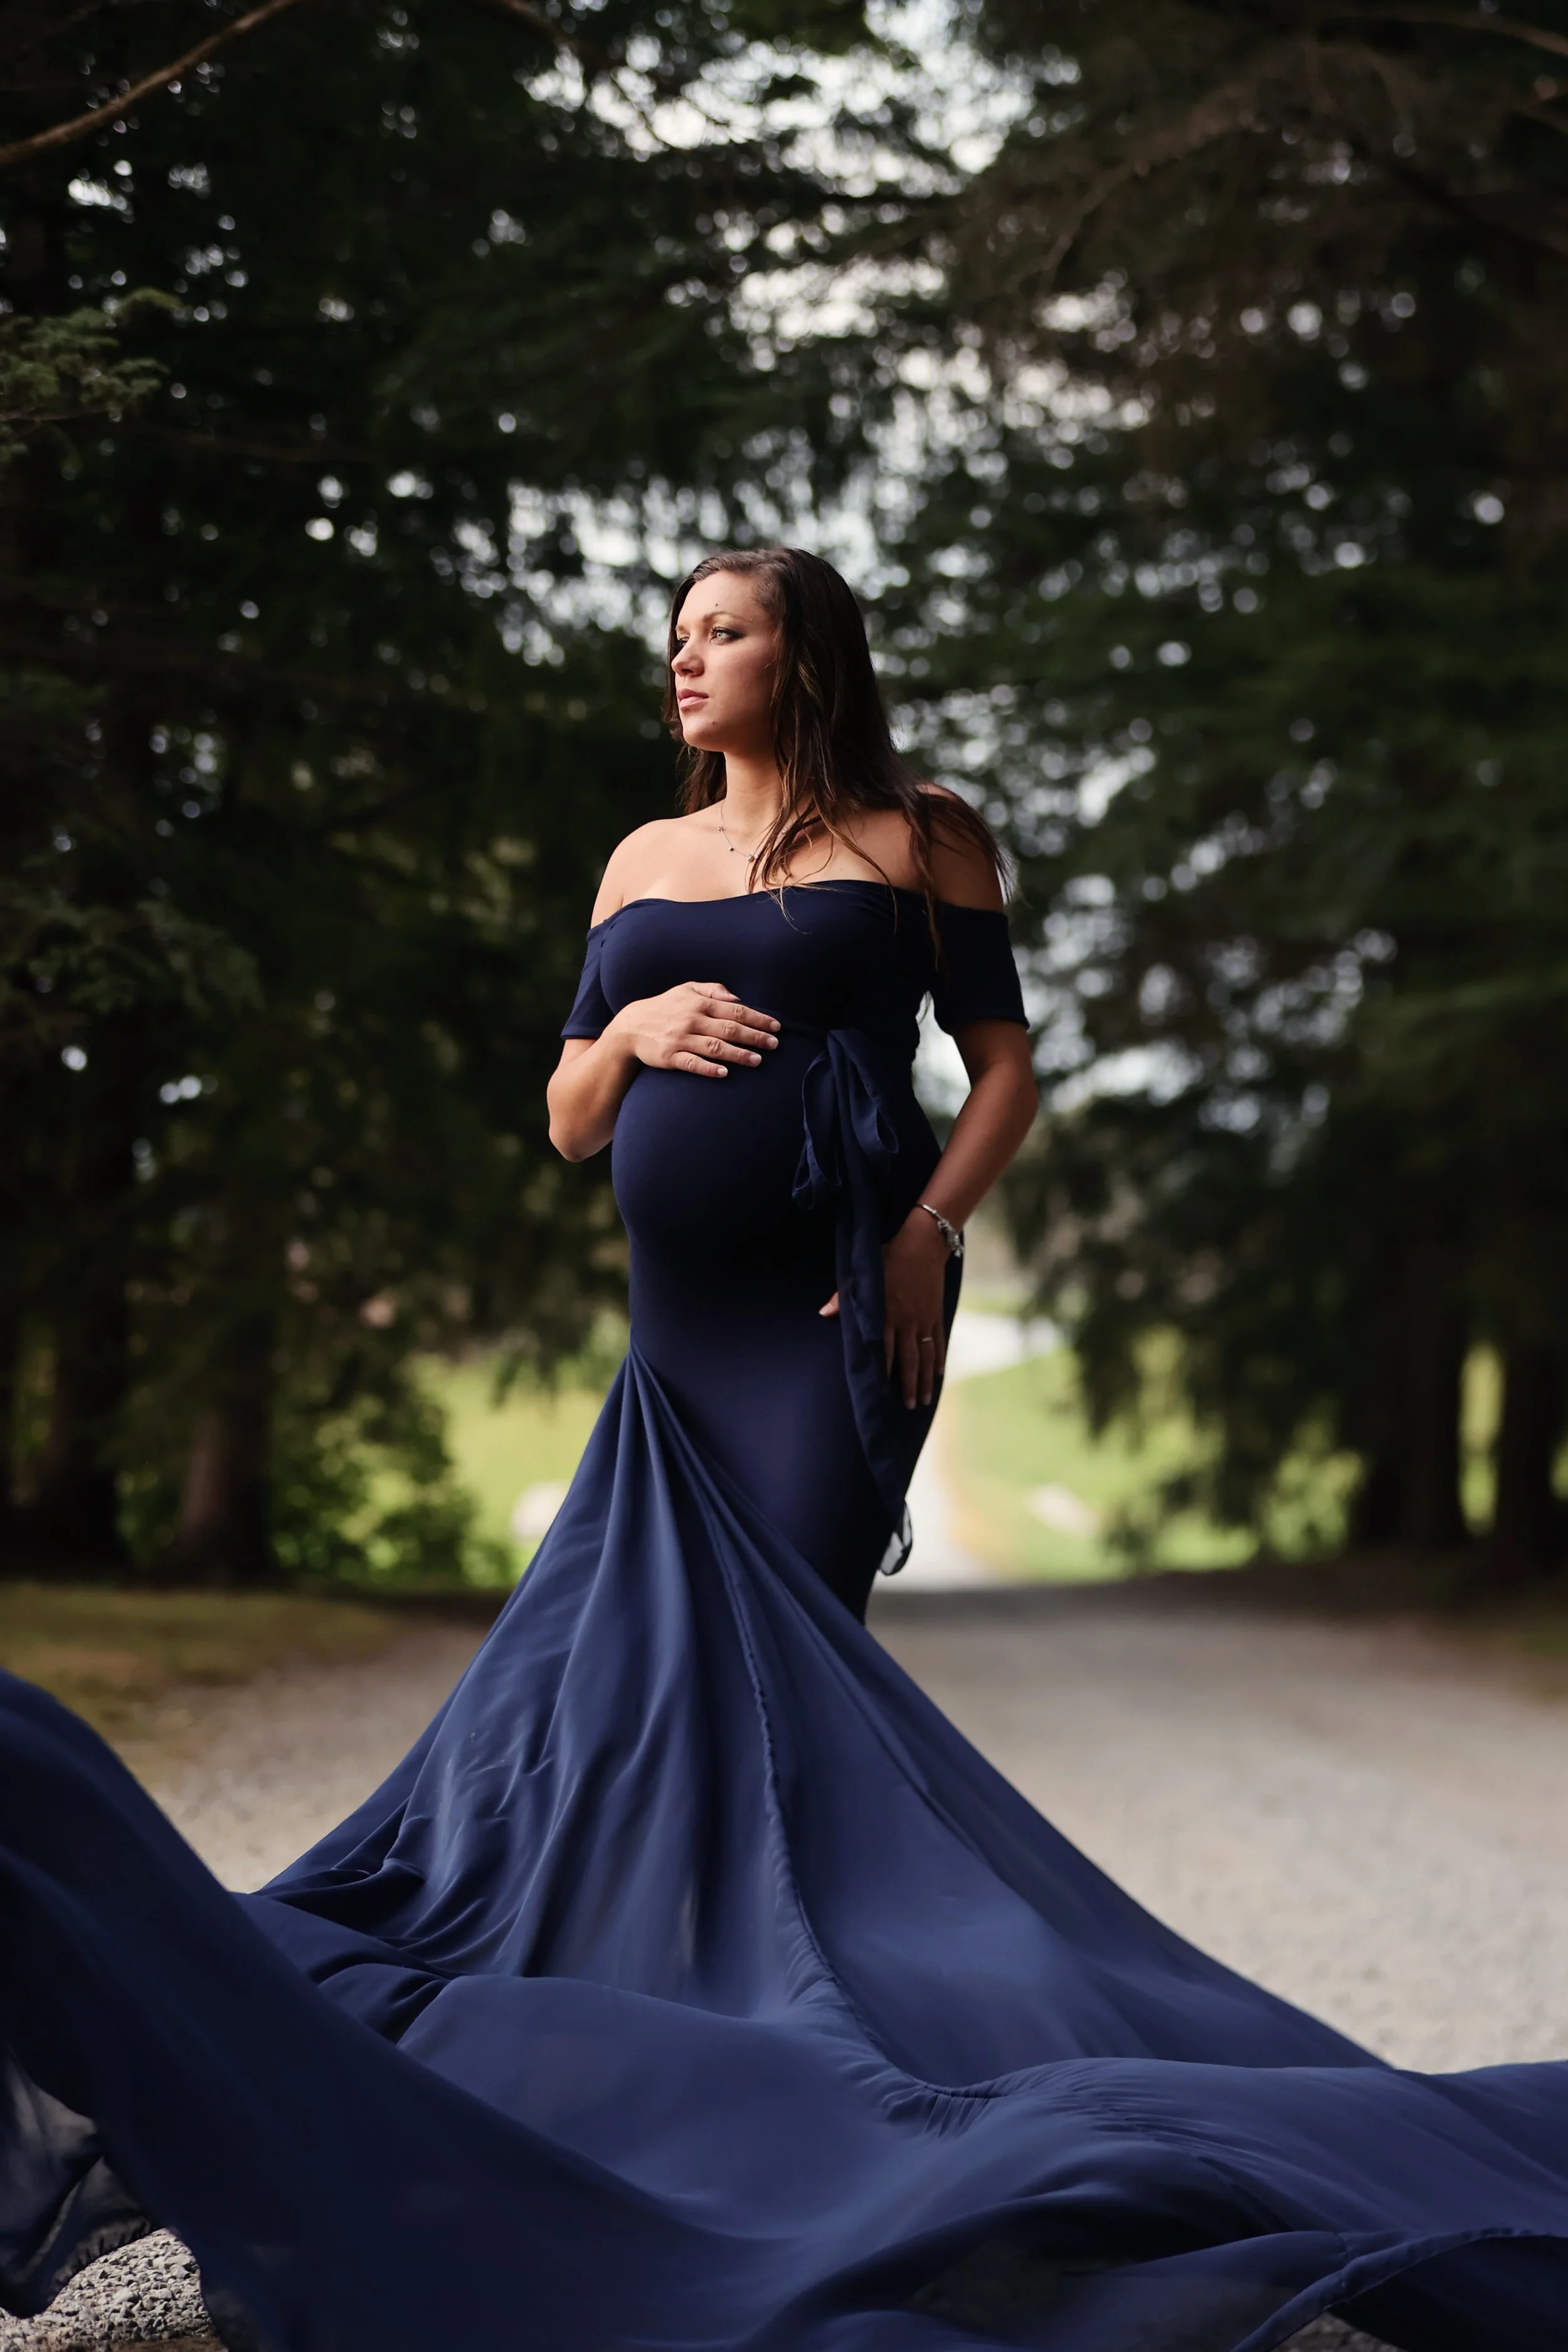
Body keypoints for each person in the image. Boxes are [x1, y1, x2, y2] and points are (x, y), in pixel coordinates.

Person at [0, 548, 1564, 2352]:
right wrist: (639, 1029)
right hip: (677, 1349)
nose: (681, 661)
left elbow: (1001, 1071)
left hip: (841, 1322)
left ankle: (807, 2073)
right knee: (627, 1705)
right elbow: (571, 1119)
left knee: (780, 1694)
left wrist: (927, 1230)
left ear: (801, 652)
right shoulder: (639, 863)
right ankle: (664, 2069)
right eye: (672, 638)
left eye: (717, 632)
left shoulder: (922, 837)